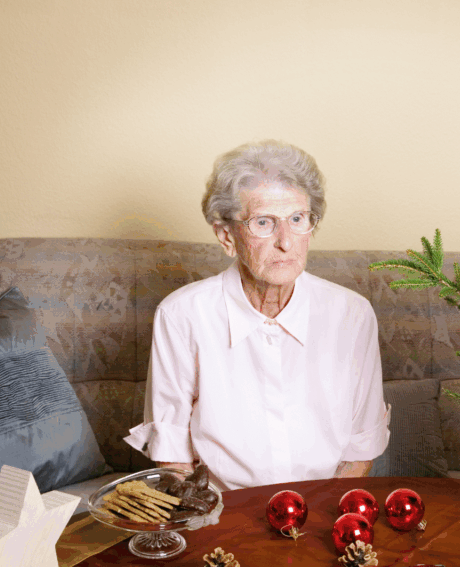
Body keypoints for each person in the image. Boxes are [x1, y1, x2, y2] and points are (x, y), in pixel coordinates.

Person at [124, 140, 391, 491]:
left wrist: (318, 516)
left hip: (323, 508)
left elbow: (361, 445)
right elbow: (173, 453)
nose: (285, 241)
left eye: (298, 219)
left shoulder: (352, 315)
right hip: (223, 513)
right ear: (227, 237)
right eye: (263, 222)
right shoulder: (181, 315)